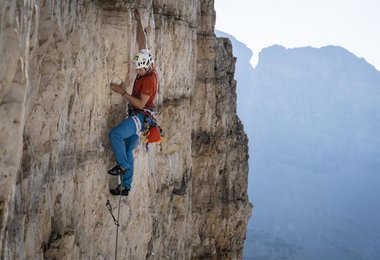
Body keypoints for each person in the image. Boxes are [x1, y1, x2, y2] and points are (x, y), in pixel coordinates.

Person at [108, 9, 158, 196]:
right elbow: (142, 43)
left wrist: (122, 92)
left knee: (115, 135)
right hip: (141, 118)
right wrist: (138, 21)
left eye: (140, 70)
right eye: (136, 68)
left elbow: (139, 104)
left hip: (142, 116)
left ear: (148, 66)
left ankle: (122, 166)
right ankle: (126, 186)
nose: (137, 72)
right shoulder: (146, 63)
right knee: (128, 149)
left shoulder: (150, 79)